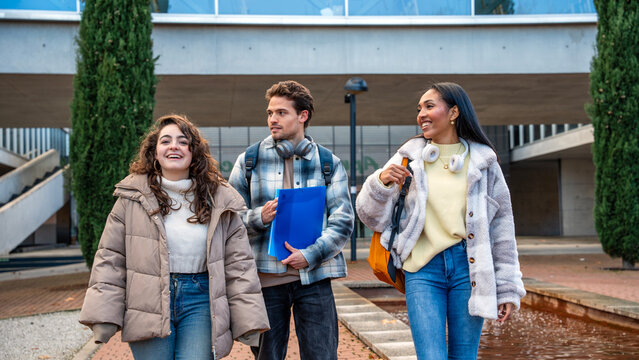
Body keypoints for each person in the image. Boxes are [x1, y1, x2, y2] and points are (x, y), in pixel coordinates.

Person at [356, 82, 526, 360]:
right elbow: (369, 217)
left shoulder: (484, 162)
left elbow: (502, 228)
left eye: (429, 106)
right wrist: (380, 182)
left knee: (464, 356)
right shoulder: (408, 158)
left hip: (469, 270)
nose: (421, 114)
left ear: (454, 112)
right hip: (422, 269)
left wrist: (506, 288)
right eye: (419, 108)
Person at [79, 114, 269, 359]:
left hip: (201, 299)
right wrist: (103, 314)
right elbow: (110, 258)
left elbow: (239, 263)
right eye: (165, 141)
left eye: (182, 141)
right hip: (147, 301)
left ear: (194, 152)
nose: (174, 147)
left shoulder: (220, 199)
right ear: (154, 152)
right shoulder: (131, 198)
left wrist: (249, 319)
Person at [228, 80, 354, 360]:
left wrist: (309, 255)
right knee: (267, 356)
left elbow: (343, 221)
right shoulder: (249, 160)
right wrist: (258, 216)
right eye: (270, 112)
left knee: (322, 355)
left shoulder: (328, 162)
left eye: (281, 112)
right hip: (265, 279)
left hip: (315, 276)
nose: (273, 119)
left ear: (303, 116)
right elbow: (228, 219)